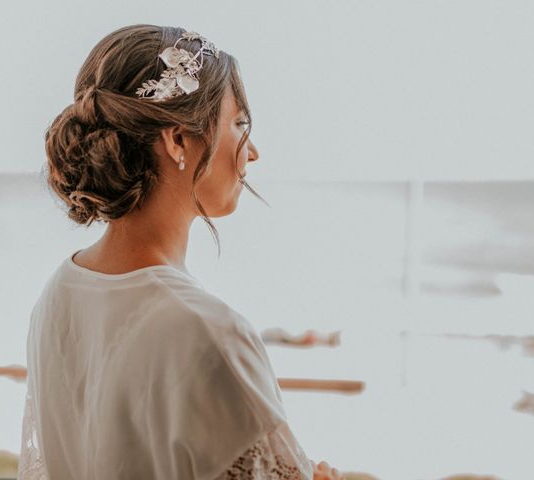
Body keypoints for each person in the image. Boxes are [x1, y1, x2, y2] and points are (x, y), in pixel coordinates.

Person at [18, 24, 345, 480]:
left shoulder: (57, 294)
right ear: (177, 140)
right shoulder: (211, 334)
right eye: (239, 123)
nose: (252, 151)